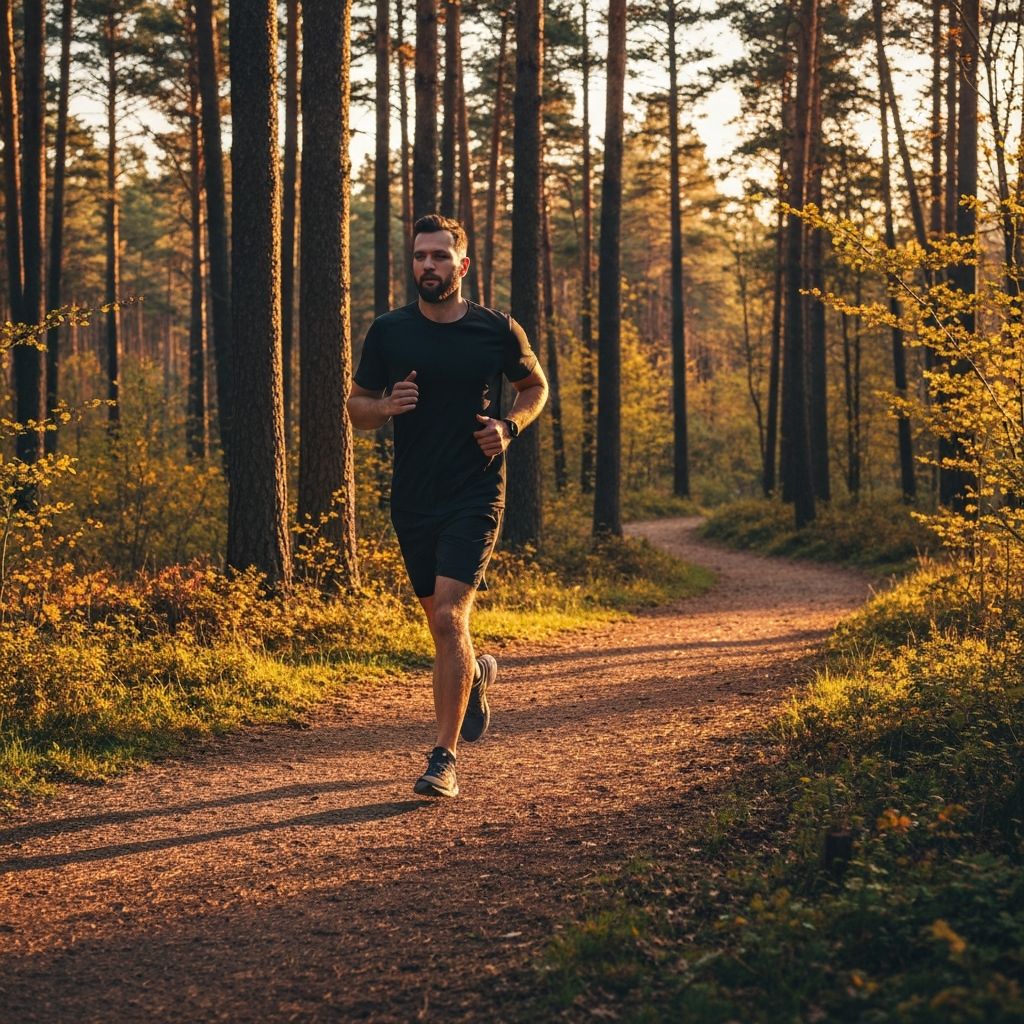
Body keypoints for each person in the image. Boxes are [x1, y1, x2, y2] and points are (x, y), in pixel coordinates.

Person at [347, 214, 549, 798]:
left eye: (439, 256)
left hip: (475, 491)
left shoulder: (497, 329)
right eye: (420, 257)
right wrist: (387, 406)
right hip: (413, 498)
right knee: (442, 629)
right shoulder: (389, 332)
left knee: (447, 618)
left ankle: (443, 758)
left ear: (462, 266)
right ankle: (477, 676)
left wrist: (510, 426)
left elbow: (535, 387)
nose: (428, 266)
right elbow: (357, 407)